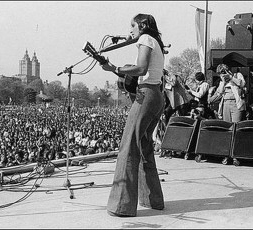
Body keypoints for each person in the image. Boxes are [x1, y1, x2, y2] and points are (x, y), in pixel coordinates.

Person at [100, 13, 165, 217]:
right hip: (157, 96)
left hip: (146, 95)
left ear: (142, 25)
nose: (130, 30)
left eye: (132, 25)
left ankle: (122, 206)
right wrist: (117, 70)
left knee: (128, 146)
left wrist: (115, 68)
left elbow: (141, 68)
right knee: (145, 146)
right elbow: (142, 69)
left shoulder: (145, 39)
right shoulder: (156, 42)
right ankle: (152, 200)